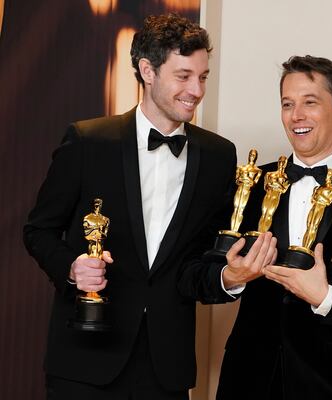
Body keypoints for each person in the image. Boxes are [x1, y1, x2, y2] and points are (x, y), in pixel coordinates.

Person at [23, 13, 275, 400]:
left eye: (203, 77)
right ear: (147, 71)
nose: (196, 89)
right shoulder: (89, 141)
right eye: (184, 75)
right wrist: (72, 269)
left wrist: (231, 278)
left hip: (166, 369)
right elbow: (38, 230)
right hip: (85, 362)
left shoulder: (218, 156)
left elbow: (198, 264)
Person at [214, 55, 332, 400]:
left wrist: (325, 298)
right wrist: (232, 277)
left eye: (310, 102)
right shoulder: (251, 183)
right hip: (249, 377)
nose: (296, 116)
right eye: (287, 104)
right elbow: (205, 270)